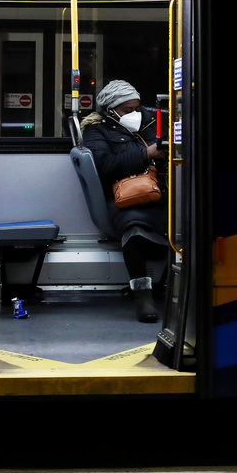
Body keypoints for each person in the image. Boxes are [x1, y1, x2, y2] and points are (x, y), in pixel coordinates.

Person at [81, 79, 168, 322]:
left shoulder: (150, 122)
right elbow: (105, 166)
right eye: (127, 110)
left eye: (137, 108)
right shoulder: (96, 130)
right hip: (123, 196)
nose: (134, 114)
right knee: (134, 228)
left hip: (158, 191)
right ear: (111, 110)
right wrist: (146, 154)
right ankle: (143, 296)